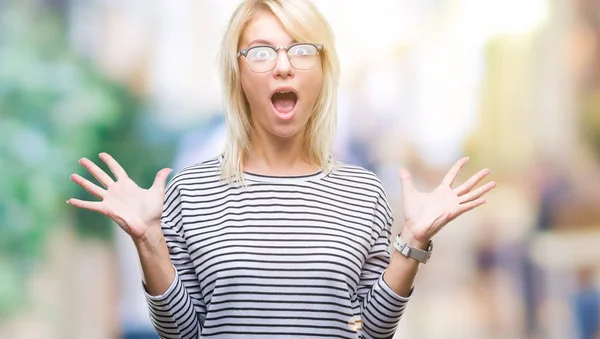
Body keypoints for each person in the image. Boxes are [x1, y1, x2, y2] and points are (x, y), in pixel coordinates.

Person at [67, 0, 496, 338]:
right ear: (237, 75)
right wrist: (148, 242)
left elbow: (370, 332)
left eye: (301, 50)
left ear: (323, 73)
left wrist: (413, 241)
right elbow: (182, 333)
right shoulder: (190, 190)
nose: (283, 65)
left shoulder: (363, 194)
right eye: (261, 52)